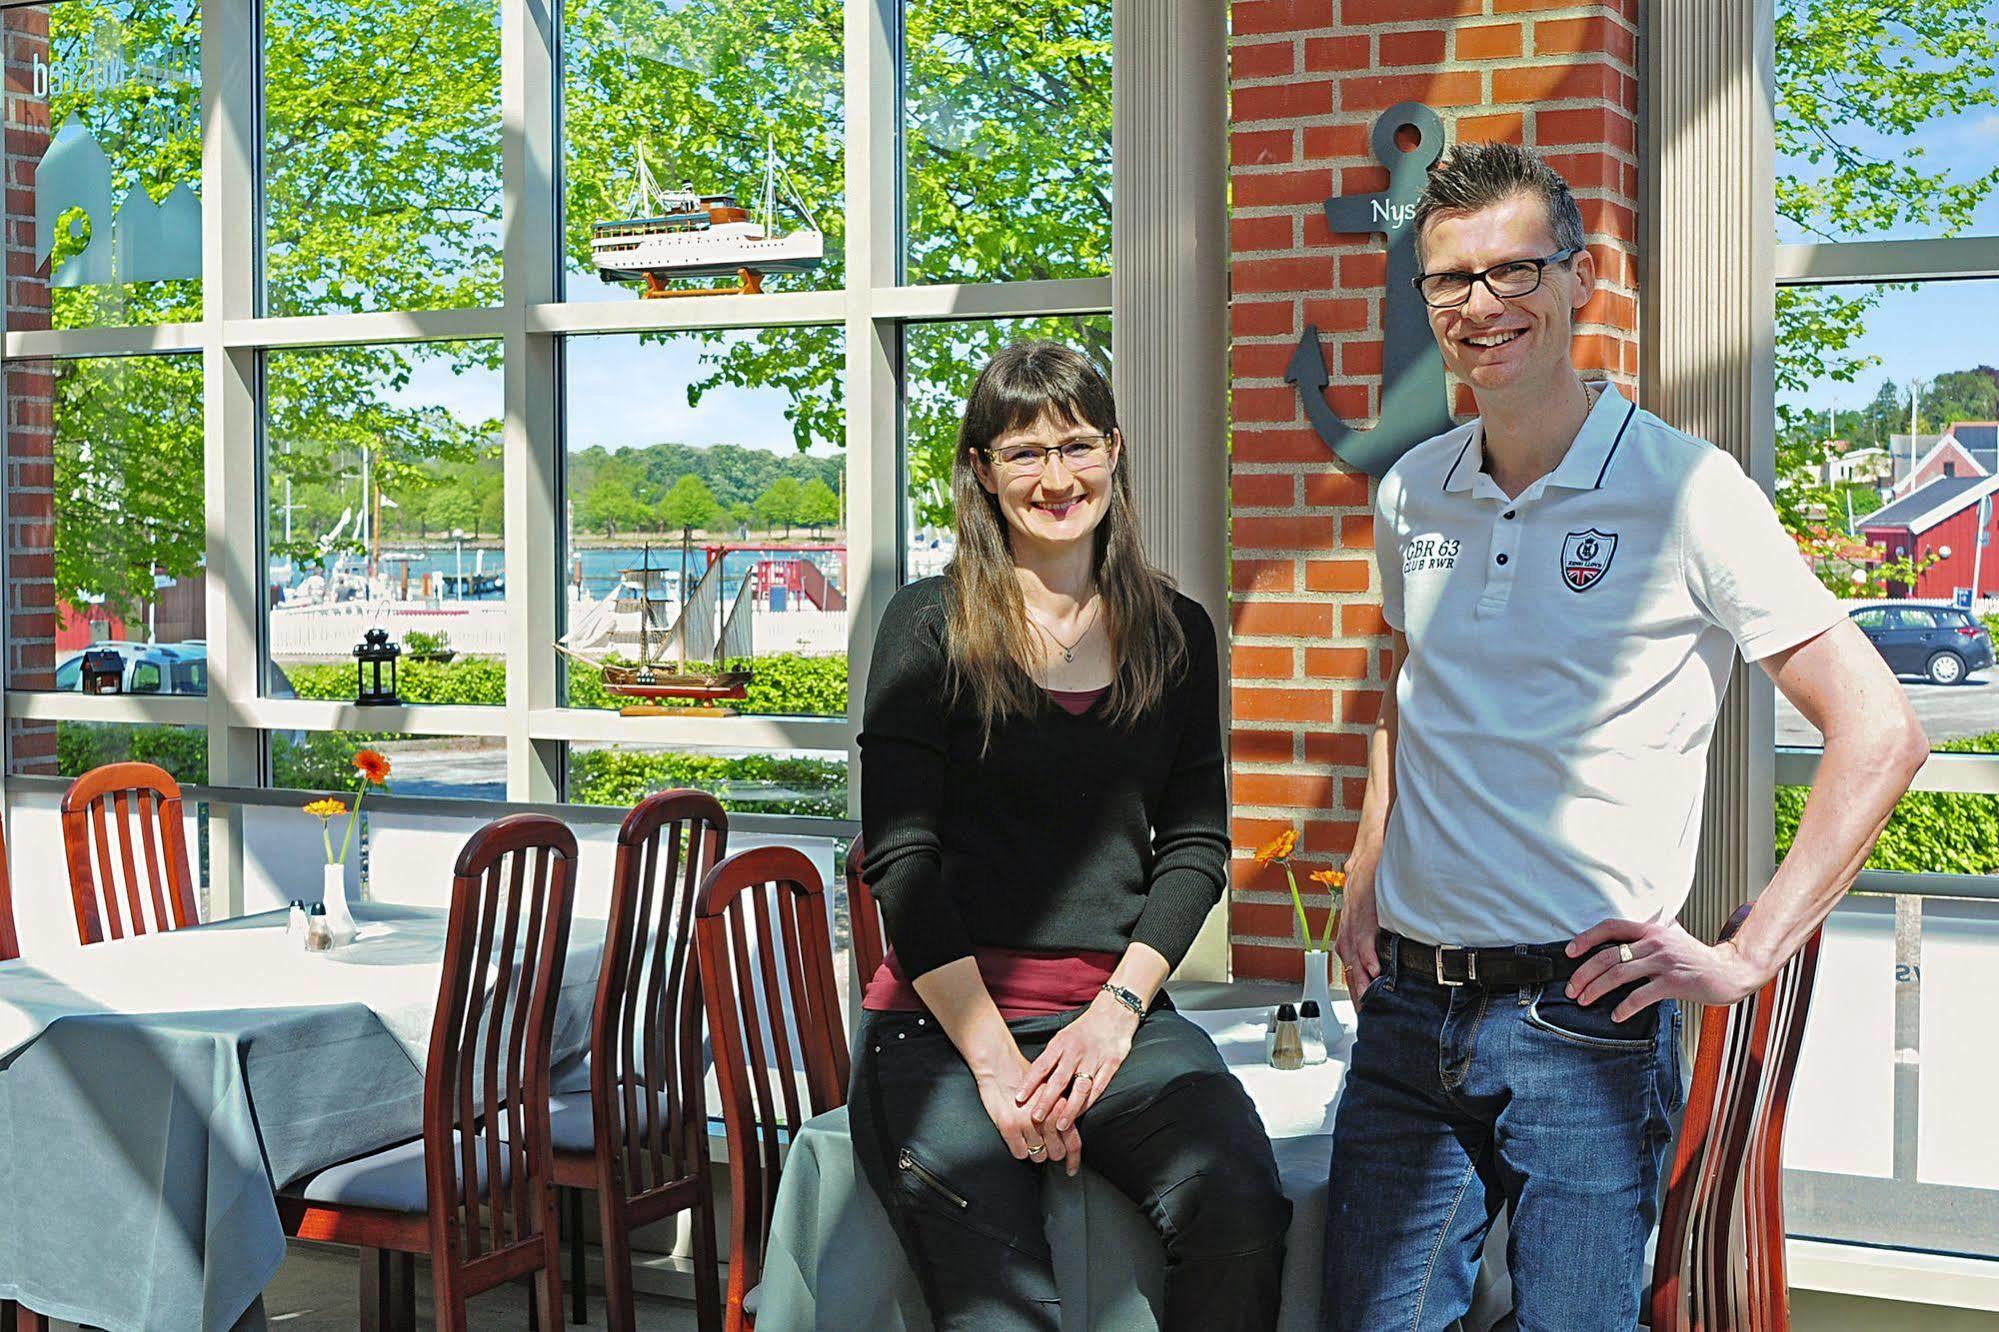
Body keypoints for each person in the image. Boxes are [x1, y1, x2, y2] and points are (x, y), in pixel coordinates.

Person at [1321, 142, 1927, 1331]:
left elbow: (1881, 730)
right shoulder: (1413, 493)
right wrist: (1363, 862)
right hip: (1407, 1010)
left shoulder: (1685, 493)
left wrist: (1746, 953)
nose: (1480, 305)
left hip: (1580, 1024)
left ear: (1578, 279)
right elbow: (1410, 688)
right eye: (1448, 280)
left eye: (1514, 271)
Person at [852, 342, 1292, 1331]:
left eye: (1077, 445)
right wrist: (999, 1065)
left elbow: (1193, 848)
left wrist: (1116, 1013)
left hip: (1116, 1021)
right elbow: (901, 860)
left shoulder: (1177, 633)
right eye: (1022, 453)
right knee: (1005, 1306)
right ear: (979, 471)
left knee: (1241, 1211)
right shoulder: (926, 626)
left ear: (1115, 451)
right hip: (943, 1027)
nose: (1056, 477)